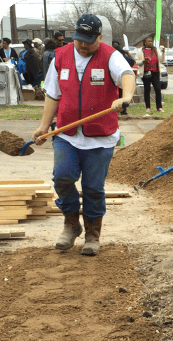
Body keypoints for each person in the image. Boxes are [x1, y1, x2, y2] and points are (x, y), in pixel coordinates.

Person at [31, 13, 136, 256]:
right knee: (63, 177)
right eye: (79, 39)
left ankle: (92, 233)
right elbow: (52, 95)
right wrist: (44, 126)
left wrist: (126, 96)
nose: (83, 44)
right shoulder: (61, 56)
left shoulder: (111, 56)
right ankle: (71, 224)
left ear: (100, 37)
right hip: (67, 133)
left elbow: (128, 75)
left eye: (89, 40)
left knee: (93, 188)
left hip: (100, 136)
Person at [136, 36, 165, 114]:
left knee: (158, 89)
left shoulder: (156, 50)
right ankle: (148, 107)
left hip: (155, 72)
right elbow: (137, 62)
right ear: (145, 43)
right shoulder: (140, 51)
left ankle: (159, 107)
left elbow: (161, 60)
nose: (150, 42)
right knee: (147, 90)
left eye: (151, 41)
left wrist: (163, 53)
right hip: (146, 73)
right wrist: (143, 61)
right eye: (149, 41)